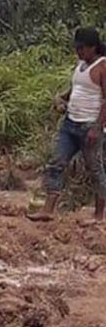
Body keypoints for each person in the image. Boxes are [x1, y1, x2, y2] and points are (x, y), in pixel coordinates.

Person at [28, 28, 106, 223]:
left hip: (89, 126)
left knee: (95, 169)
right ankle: (48, 209)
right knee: (57, 162)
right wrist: (61, 98)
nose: (78, 52)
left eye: (81, 48)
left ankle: (99, 215)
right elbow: (76, 89)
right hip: (71, 123)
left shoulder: (102, 67)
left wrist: (97, 127)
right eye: (77, 48)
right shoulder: (81, 65)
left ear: (93, 47)